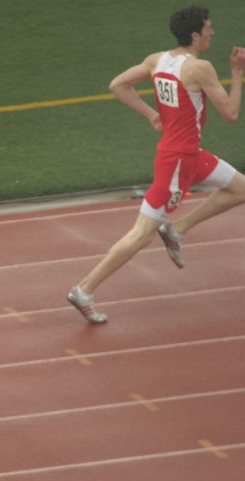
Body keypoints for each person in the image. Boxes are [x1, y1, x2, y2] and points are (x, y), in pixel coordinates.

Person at [68, 4, 245, 324]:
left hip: (190, 154)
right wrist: (236, 74)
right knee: (141, 235)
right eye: (208, 28)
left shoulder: (156, 60)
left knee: (241, 188)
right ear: (194, 35)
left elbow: (118, 85)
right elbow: (231, 115)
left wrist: (151, 114)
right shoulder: (200, 68)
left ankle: (177, 229)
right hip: (178, 162)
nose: (212, 33)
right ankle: (85, 289)